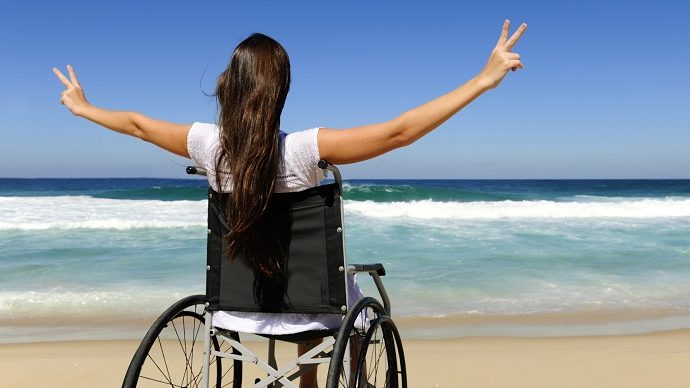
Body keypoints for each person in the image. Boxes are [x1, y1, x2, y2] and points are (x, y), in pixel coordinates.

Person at [54, 19, 526, 387]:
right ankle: (312, 379)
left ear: (229, 86)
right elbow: (398, 132)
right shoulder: (303, 150)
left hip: (234, 308)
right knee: (349, 297)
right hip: (316, 308)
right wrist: (482, 81)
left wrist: (84, 108)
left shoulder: (207, 146)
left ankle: (304, 377)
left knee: (293, 277)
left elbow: (137, 123)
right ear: (280, 92)